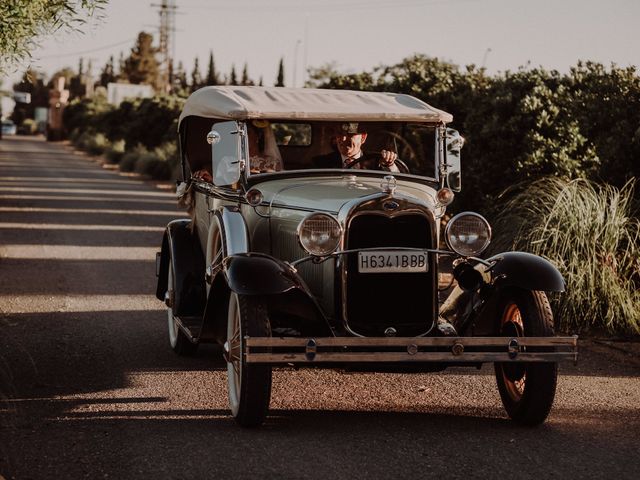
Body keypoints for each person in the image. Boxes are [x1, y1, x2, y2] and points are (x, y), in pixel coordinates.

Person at [313, 122, 399, 171]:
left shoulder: (376, 163)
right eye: (339, 134)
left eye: (350, 134)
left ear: (363, 137)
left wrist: (390, 164)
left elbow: (396, 184)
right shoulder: (320, 163)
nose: (343, 139)